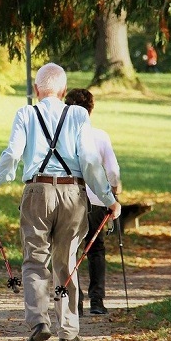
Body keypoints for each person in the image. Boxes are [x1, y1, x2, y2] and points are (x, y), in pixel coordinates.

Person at [0, 63, 122, 341]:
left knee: (34, 259)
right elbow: (91, 162)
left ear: (36, 90)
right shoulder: (79, 114)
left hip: (37, 192)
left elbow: (12, 155)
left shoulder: (25, 113)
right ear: (64, 91)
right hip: (73, 193)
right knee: (66, 262)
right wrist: (109, 199)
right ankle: (68, 331)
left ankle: (39, 322)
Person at [64, 88, 121, 316]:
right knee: (96, 249)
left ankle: (74, 302)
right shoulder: (100, 136)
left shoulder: (63, 137)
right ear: (91, 110)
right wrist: (114, 191)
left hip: (71, 198)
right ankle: (97, 301)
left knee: (71, 249)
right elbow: (113, 170)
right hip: (97, 199)